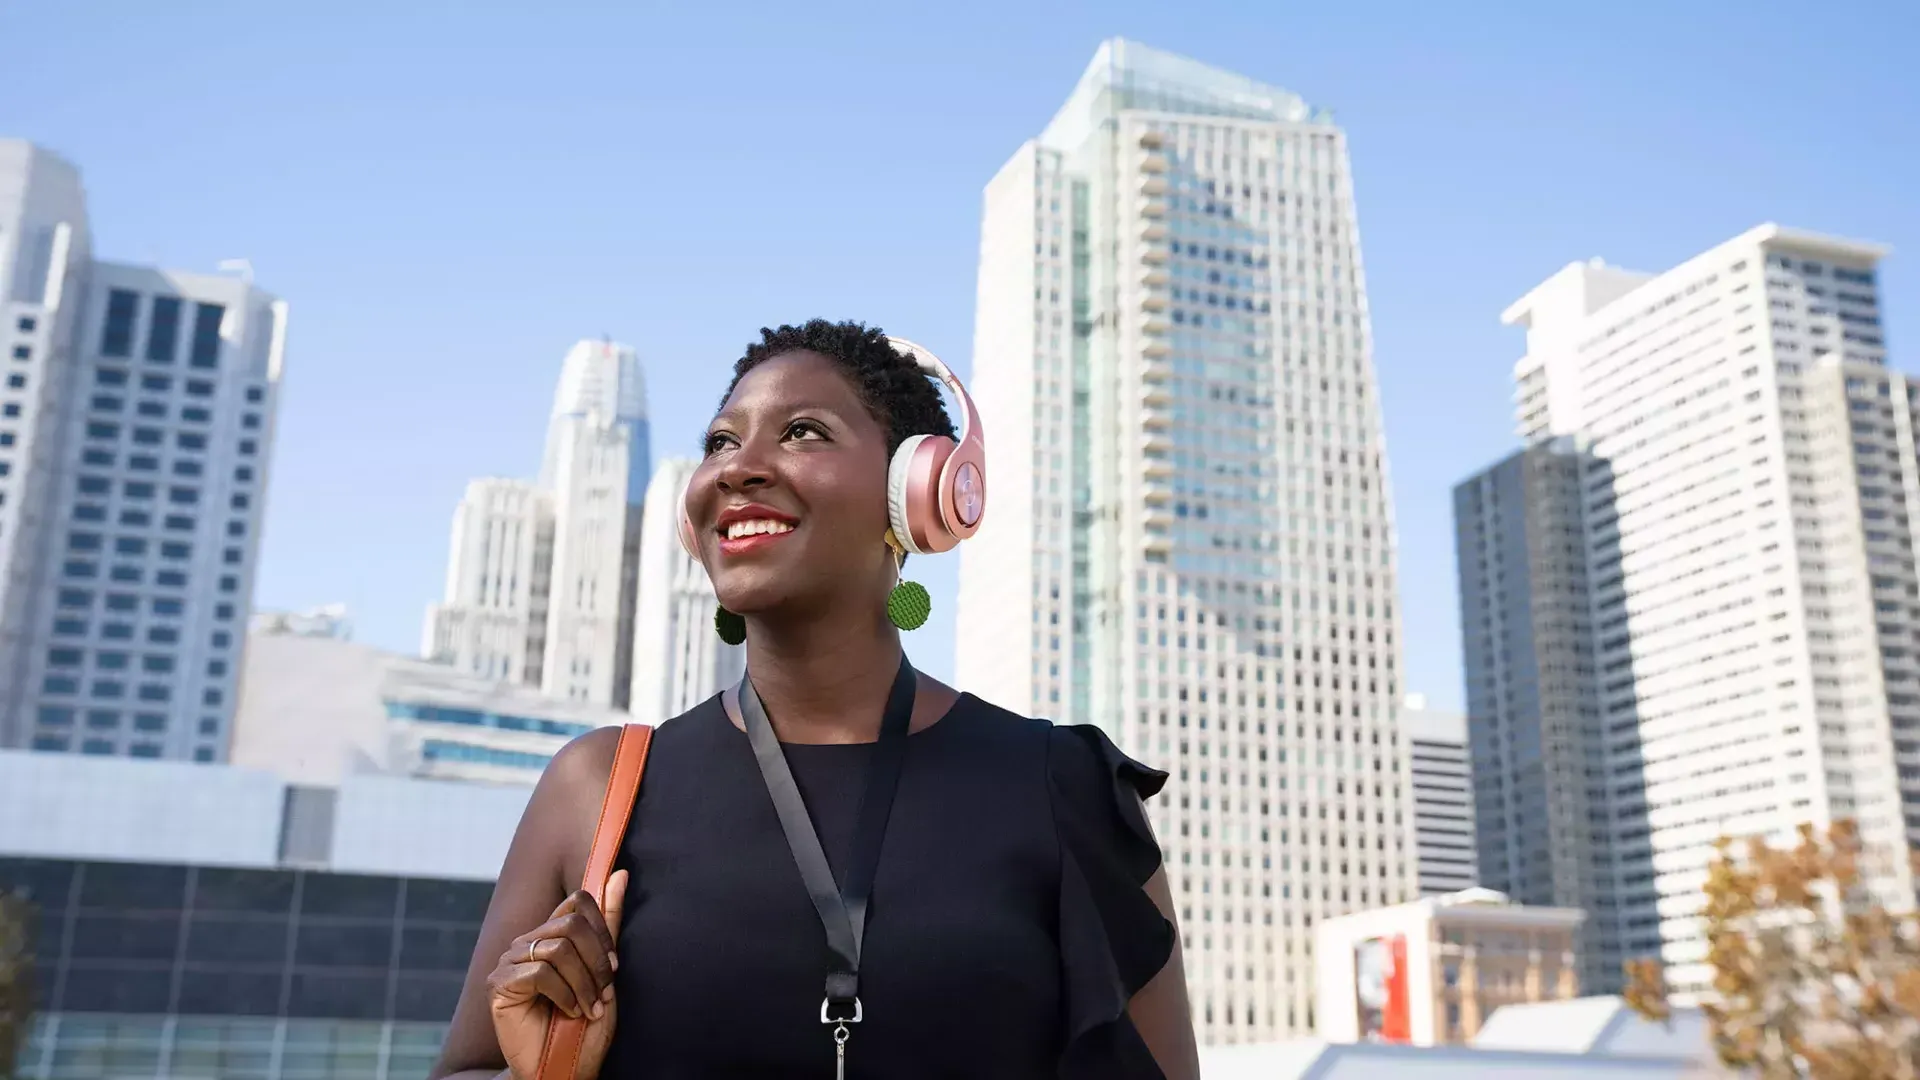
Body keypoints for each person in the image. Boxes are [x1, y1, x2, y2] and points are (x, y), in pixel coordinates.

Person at [430, 320, 1199, 1080]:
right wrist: (542, 1077)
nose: (738, 468)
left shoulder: (1068, 789)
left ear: (917, 494)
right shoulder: (597, 787)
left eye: (801, 432)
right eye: (721, 443)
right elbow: (466, 1070)